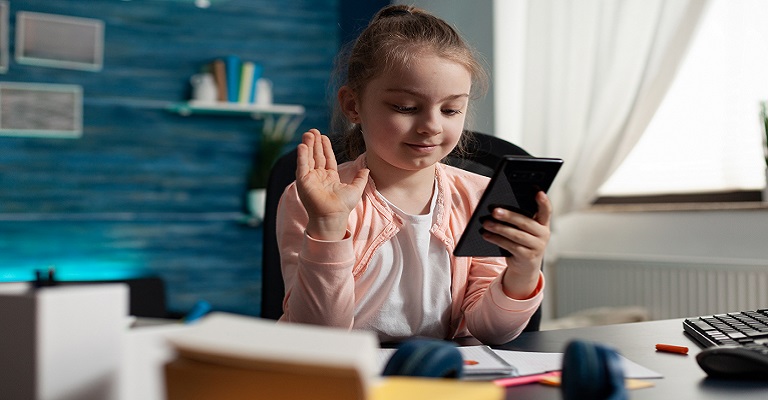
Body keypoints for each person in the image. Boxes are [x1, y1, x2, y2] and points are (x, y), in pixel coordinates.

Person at [275, 4, 551, 345]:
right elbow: (317, 337)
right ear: (353, 106)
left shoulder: (480, 196)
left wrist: (523, 271)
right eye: (406, 108)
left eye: (451, 109)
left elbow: (489, 331)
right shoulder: (310, 202)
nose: (432, 126)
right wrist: (328, 226)